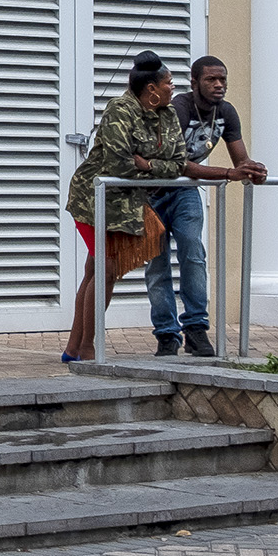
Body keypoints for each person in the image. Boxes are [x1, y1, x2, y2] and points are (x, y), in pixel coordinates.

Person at [64, 53, 195, 364]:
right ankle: (86, 347)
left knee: (95, 271)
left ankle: (73, 347)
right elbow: (119, 164)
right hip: (93, 198)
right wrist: (152, 167)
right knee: (105, 270)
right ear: (151, 88)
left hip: (129, 203)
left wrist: (147, 164)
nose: (172, 89)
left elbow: (178, 163)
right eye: (168, 84)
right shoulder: (119, 110)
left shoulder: (167, 115)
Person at [145, 56, 266, 357]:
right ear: (195, 81)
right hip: (149, 194)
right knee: (157, 266)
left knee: (193, 253)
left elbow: (241, 161)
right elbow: (177, 164)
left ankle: (196, 330)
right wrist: (227, 174)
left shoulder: (226, 113)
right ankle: (166, 335)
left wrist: (253, 170)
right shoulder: (179, 109)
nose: (219, 85)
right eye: (212, 79)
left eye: (223, 79)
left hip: (183, 192)